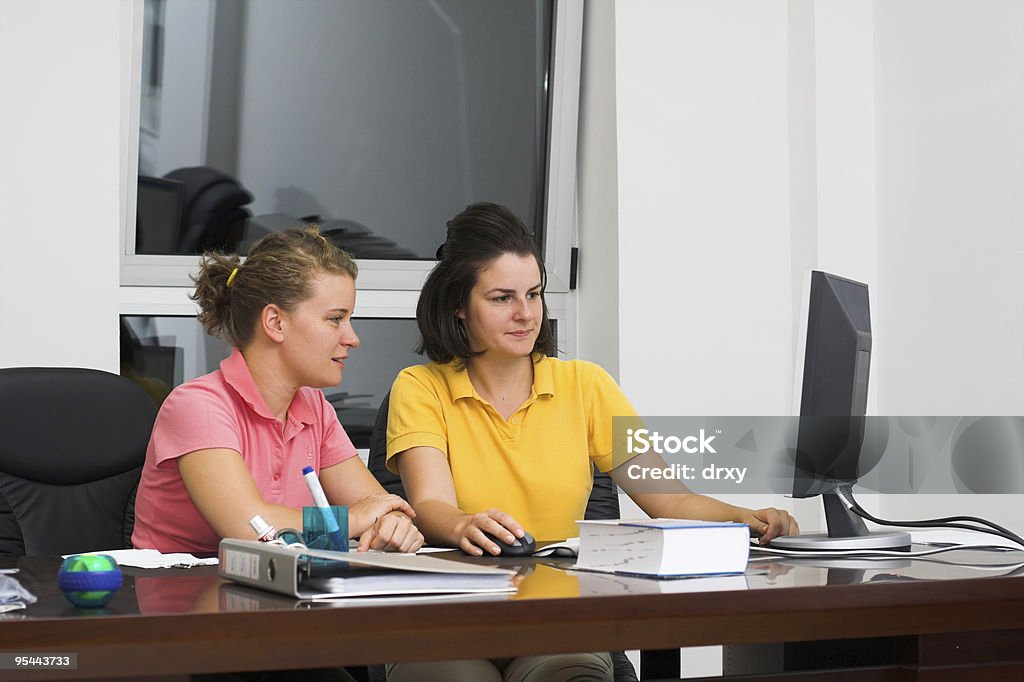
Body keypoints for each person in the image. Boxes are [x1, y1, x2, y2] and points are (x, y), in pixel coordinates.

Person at [384, 202, 798, 681]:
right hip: (450, 621)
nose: (525, 314)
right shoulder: (420, 387)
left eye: (534, 294)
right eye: (502, 298)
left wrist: (742, 517)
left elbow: (670, 499)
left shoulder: (587, 385)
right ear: (459, 304)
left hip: (558, 622)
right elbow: (432, 503)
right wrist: (461, 526)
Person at [133, 227, 423, 557]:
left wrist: (394, 522)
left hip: (277, 596)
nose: (352, 338)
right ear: (275, 322)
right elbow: (252, 529)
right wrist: (355, 519)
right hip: (180, 598)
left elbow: (380, 506)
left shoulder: (315, 407)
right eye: (335, 319)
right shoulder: (197, 406)